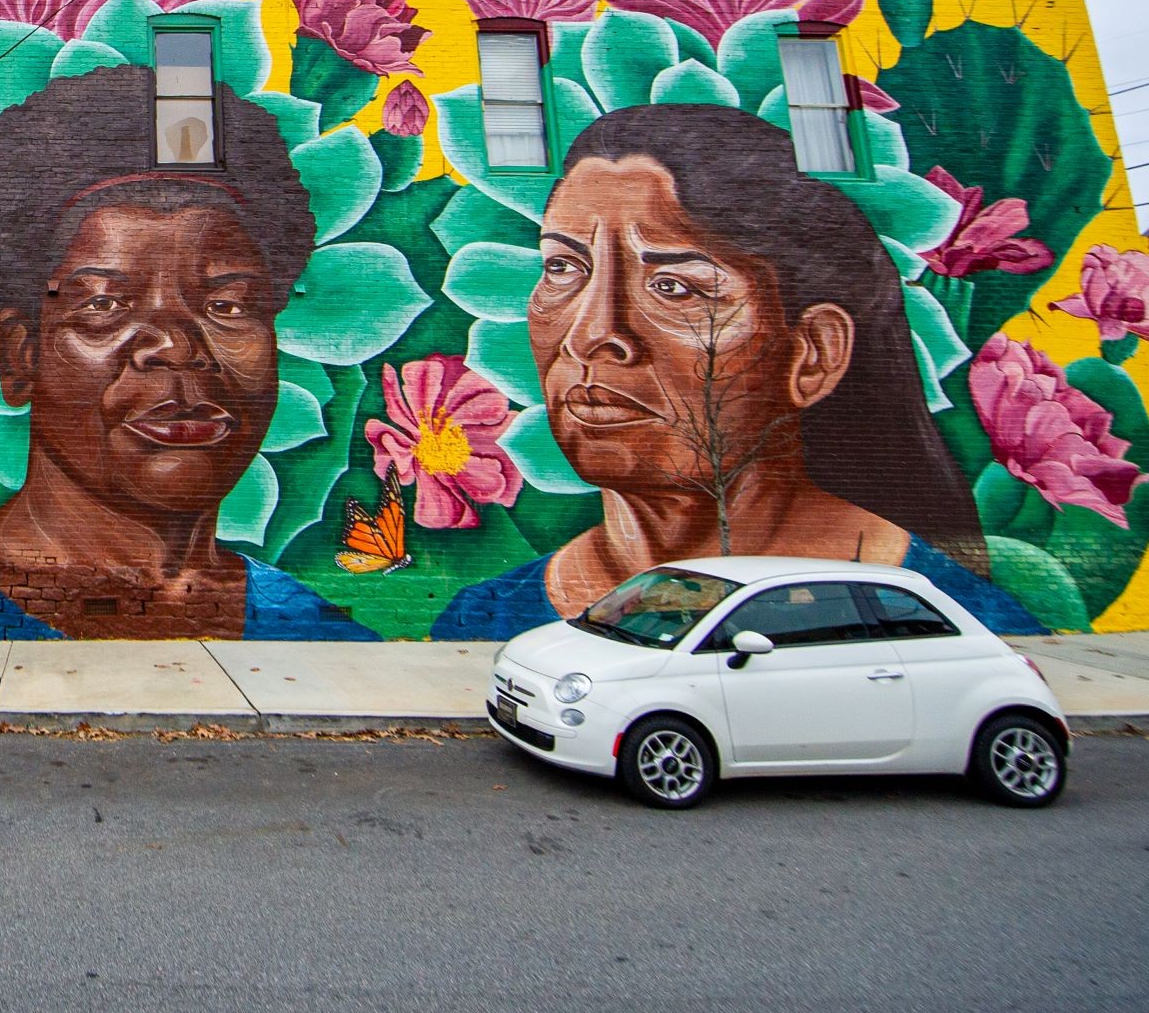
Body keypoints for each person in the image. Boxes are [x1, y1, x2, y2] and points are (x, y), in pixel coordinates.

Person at [0, 66, 372, 641]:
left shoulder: (322, 638)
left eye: (227, 306)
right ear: (19, 356)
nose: (177, 346)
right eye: (104, 305)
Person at [433, 102, 1040, 639]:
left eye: (674, 286)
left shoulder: (951, 627)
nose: (593, 335)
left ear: (813, 354)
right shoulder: (483, 619)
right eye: (564, 268)